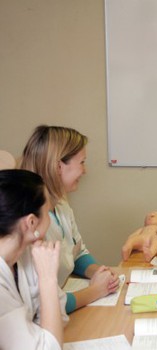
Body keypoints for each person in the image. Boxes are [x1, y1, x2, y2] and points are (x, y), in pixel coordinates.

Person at [20, 125, 120, 314]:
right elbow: (44, 304)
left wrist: (99, 272)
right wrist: (97, 290)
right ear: (58, 166)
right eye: (82, 162)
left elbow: (77, 251)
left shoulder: (61, 205)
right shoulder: (32, 224)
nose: (85, 170)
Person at [0, 169, 68, 349]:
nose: (50, 216)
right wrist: (47, 279)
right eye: (47, 211)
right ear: (31, 222)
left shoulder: (26, 254)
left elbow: (60, 316)